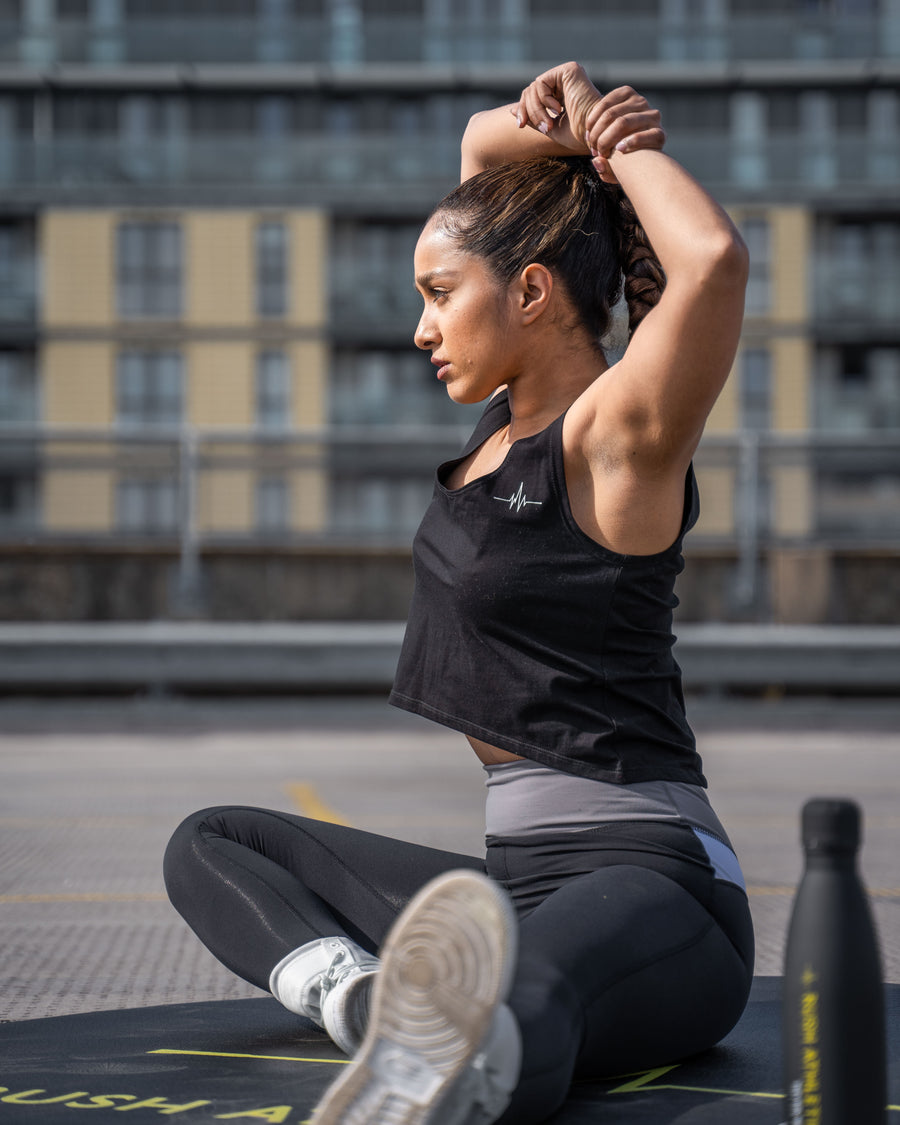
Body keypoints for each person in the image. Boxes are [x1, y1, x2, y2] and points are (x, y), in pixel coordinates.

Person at [163, 62, 755, 1125]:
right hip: (505, 889)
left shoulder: (616, 439)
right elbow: (486, 162)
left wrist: (617, 143)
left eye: (440, 296)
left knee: (522, 991)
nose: (423, 329)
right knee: (216, 841)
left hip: (655, 888)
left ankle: (439, 1081)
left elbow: (710, 260)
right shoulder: (501, 432)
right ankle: (364, 1010)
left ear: (530, 292)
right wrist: (552, 119)